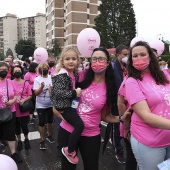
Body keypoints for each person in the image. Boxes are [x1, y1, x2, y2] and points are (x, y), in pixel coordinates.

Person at [53, 47, 130, 170]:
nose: (97, 62)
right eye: (94, 59)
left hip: (91, 135)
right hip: (68, 131)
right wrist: (56, 110)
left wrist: (121, 118)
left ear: (108, 62)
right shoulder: (80, 76)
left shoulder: (110, 88)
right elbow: (58, 92)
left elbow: (105, 116)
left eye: (101, 59)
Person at [123, 41, 170, 170]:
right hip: (149, 142)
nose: (139, 59)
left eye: (143, 54)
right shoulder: (132, 81)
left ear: (150, 56)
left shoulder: (164, 75)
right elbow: (145, 115)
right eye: (135, 56)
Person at [51, 47, 84, 164]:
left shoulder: (74, 72)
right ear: (62, 61)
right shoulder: (61, 74)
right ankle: (69, 150)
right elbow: (58, 93)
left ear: (78, 61)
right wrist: (74, 93)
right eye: (67, 59)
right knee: (79, 125)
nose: (71, 61)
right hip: (64, 107)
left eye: (74, 59)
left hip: (69, 105)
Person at [105, 44, 129, 164]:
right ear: (118, 55)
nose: (127, 56)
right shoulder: (112, 67)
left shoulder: (129, 66)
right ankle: (118, 151)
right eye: (125, 54)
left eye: (128, 54)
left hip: (127, 102)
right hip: (116, 102)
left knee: (127, 125)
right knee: (117, 128)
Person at [0, 61, 22, 163]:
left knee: (10, 132)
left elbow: (16, 96)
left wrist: (12, 101)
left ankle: (13, 153)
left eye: (5, 70)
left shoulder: (10, 81)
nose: (3, 72)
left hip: (10, 111)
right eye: (1, 70)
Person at [33, 62, 55, 150]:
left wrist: (51, 90)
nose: (45, 69)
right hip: (40, 105)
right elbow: (36, 93)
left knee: (50, 120)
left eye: (46, 67)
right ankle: (42, 140)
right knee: (41, 122)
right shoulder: (37, 79)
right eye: (43, 68)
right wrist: (41, 87)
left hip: (50, 103)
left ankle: (49, 135)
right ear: (40, 70)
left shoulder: (51, 78)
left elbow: (54, 92)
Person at [12, 65, 32, 151]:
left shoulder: (26, 83)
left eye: (19, 70)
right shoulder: (10, 82)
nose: (17, 72)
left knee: (24, 126)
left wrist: (23, 100)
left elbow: (30, 95)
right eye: (15, 70)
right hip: (14, 109)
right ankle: (19, 141)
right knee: (16, 127)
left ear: (22, 72)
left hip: (23, 109)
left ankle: (26, 139)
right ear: (13, 72)